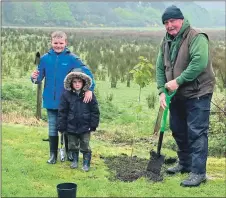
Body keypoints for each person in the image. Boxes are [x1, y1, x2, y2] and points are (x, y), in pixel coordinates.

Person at [156, 5, 215, 187]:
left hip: (198, 93)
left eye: (172, 21)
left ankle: (198, 173)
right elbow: (160, 67)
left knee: (197, 133)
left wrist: (178, 81)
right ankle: (184, 163)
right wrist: (161, 91)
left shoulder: (196, 37)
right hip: (176, 95)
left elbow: (199, 62)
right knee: (178, 130)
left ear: (181, 20)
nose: (169, 25)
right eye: (166, 22)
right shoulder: (165, 41)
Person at [31, 31, 95, 164]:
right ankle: (53, 155)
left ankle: (70, 153)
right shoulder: (44, 59)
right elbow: (38, 78)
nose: (58, 45)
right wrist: (33, 77)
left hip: (67, 101)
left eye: (61, 43)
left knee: (67, 127)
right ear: (51, 42)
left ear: (66, 43)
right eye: (55, 43)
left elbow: (87, 73)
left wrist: (89, 89)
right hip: (50, 100)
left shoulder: (72, 58)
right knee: (53, 127)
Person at [57, 68, 100, 171]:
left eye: (79, 81)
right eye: (75, 82)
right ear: (71, 83)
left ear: (83, 82)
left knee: (85, 145)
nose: (77, 84)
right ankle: (75, 161)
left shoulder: (89, 95)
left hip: (85, 126)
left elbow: (95, 111)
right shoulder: (66, 95)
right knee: (72, 145)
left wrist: (93, 124)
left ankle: (86, 164)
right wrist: (62, 126)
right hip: (70, 126)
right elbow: (62, 112)